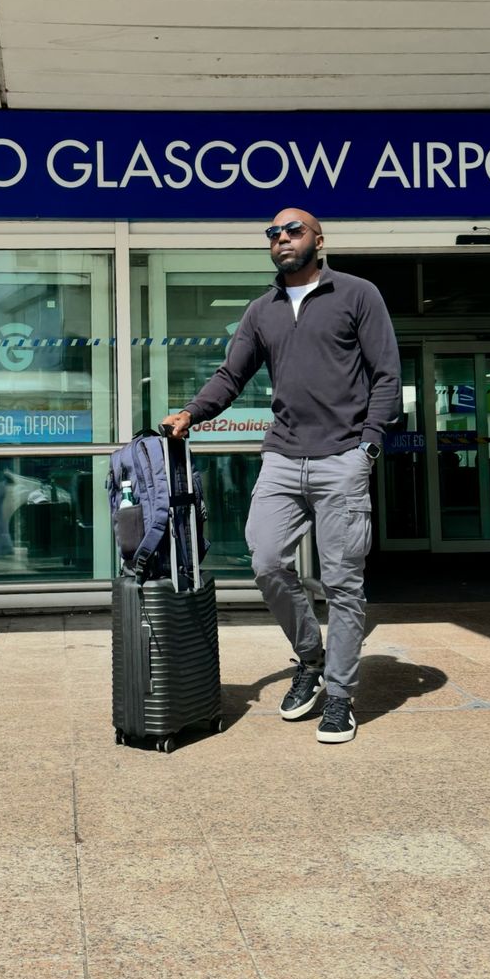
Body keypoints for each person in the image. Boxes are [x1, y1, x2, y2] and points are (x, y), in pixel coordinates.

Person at [162, 208, 400, 744]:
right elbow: (231, 375)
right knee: (266, 561)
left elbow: (387, 374)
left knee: (342, 583)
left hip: (342, 457)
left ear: (319, 239)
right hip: (284, 457)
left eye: (294, 231)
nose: (282, 239)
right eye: (274, 234)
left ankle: (340, 697)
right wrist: (192, 413)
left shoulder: (357, 294)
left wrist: (368, 445)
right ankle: (310, 659)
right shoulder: (262, 310)